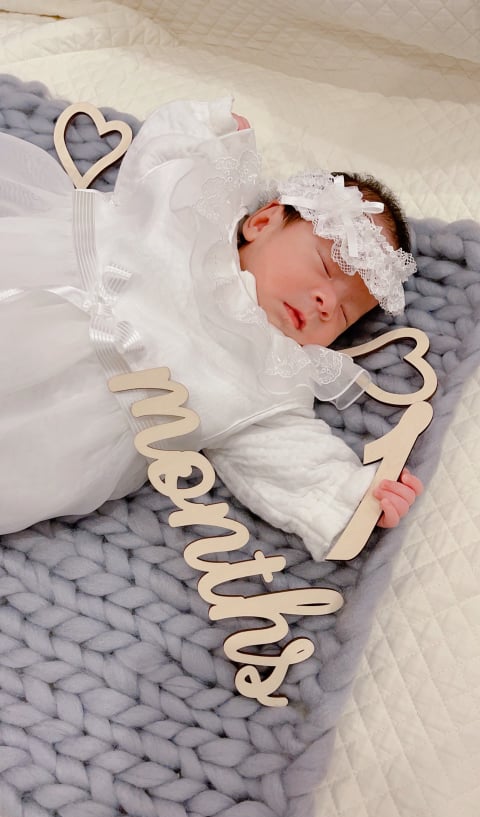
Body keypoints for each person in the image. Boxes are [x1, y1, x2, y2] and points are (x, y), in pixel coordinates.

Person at [0, 96, 422, 558]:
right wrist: (212, 128)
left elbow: (291, 459)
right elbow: (164, 153)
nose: (326, 303)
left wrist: (353, 497)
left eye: (344, 313)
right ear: (262, 222)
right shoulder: (199, 210)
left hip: (59, 424)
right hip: (36, 279)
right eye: (325, 267)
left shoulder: (272, 379)